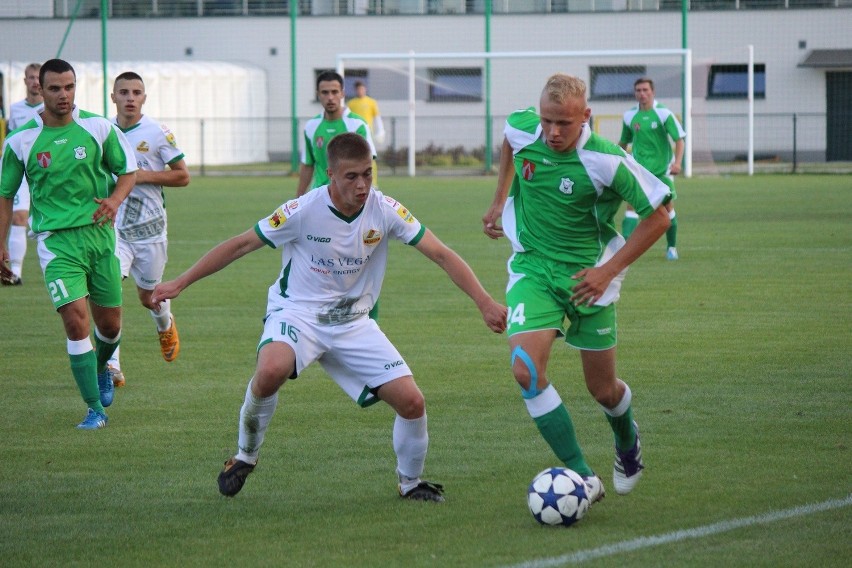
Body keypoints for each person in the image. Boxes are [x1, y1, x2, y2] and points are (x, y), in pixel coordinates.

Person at [152, 132, 507, 500]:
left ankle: (411, 483)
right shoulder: (302, 210)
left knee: (412, 402)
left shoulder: (385, 209)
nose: (363, 185)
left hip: (352, 322)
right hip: (297, 313)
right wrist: (181, 282)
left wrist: (484, 301)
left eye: (368, 174)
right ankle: (246, 455)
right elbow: (242, 243)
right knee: (271, 370)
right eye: (352, 176)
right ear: (330, 175)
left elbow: (442, 253)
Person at [482, 73, 671, 501]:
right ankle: (583, 475)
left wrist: (608, 272)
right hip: (532, 269)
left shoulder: (606, 159)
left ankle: (627, 441)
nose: (552, 132)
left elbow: (660, 216)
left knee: (603, 390)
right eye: (548, 121)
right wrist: (500, 197)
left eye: (564, 124)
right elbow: (510, 141)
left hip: (589, 279)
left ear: (586, 116)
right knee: (526, 371)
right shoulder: (526, 126)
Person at [0, 58, 138, 429]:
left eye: (69, 87)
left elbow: (127, 171)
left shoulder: (98, 127)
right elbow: (5, 195)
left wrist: (114, 201)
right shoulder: (21, 140)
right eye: (55, 88)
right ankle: (95, 409)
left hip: (100, 238)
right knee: (76, 322)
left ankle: (101, 365)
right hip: (56, 244)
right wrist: (1, 246)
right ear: (39, 91)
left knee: (110, 327)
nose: (64, 95)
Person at [103, 71, 190, 387]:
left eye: (136, 92)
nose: (130, 98)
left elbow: (182, 176)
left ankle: (164, 322)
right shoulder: (103, 131)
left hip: (151, 231)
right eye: (123, 92)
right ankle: (112, 364)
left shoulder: (157, 133)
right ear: (113, 97)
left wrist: (141, 175)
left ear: (144, 97)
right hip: (115, 229)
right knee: (109, 289)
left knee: (149, 297)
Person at [618, 77, 685, 260]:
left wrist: (678, 163)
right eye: (638, 90)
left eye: (645, 90)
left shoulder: (663, 114)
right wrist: (616, 163)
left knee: (667, 209)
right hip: (639, 171)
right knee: (631, 208)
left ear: (653, 92)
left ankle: (671, 248)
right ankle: (623, 250)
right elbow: (623, 143)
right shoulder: (629, 116)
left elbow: (679, 139)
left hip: (662, 172)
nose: (642, 94)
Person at [296, 71, 375, 197]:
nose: (330, 97)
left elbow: (367, 163)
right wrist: (298, 199)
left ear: (342, 93)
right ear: (318, 94)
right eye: (325, 92)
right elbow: (308, 165)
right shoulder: (311, 126)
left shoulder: (357, 125)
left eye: (334, 92)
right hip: (320, 196)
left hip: (350, 196)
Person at [2, 63, 44, 285]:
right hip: (20, 172)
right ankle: (16, 272)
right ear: (25, 81)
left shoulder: (50, 108)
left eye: (38, 77)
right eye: (31, 77)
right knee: (19, 217)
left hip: (42, 171)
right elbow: (10, 139)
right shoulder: (16, 109)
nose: (35, 81)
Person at [347, 80, 386, 145]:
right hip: (354, 131)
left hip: (367, 130)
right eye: (358, 89)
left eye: (362, 89)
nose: (360, 91)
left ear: (365, 89)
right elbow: (347, 118)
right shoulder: (351, 103)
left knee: (367, 150)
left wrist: (381, 130)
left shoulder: (371, 102)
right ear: (355, 90)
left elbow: (377, 118)